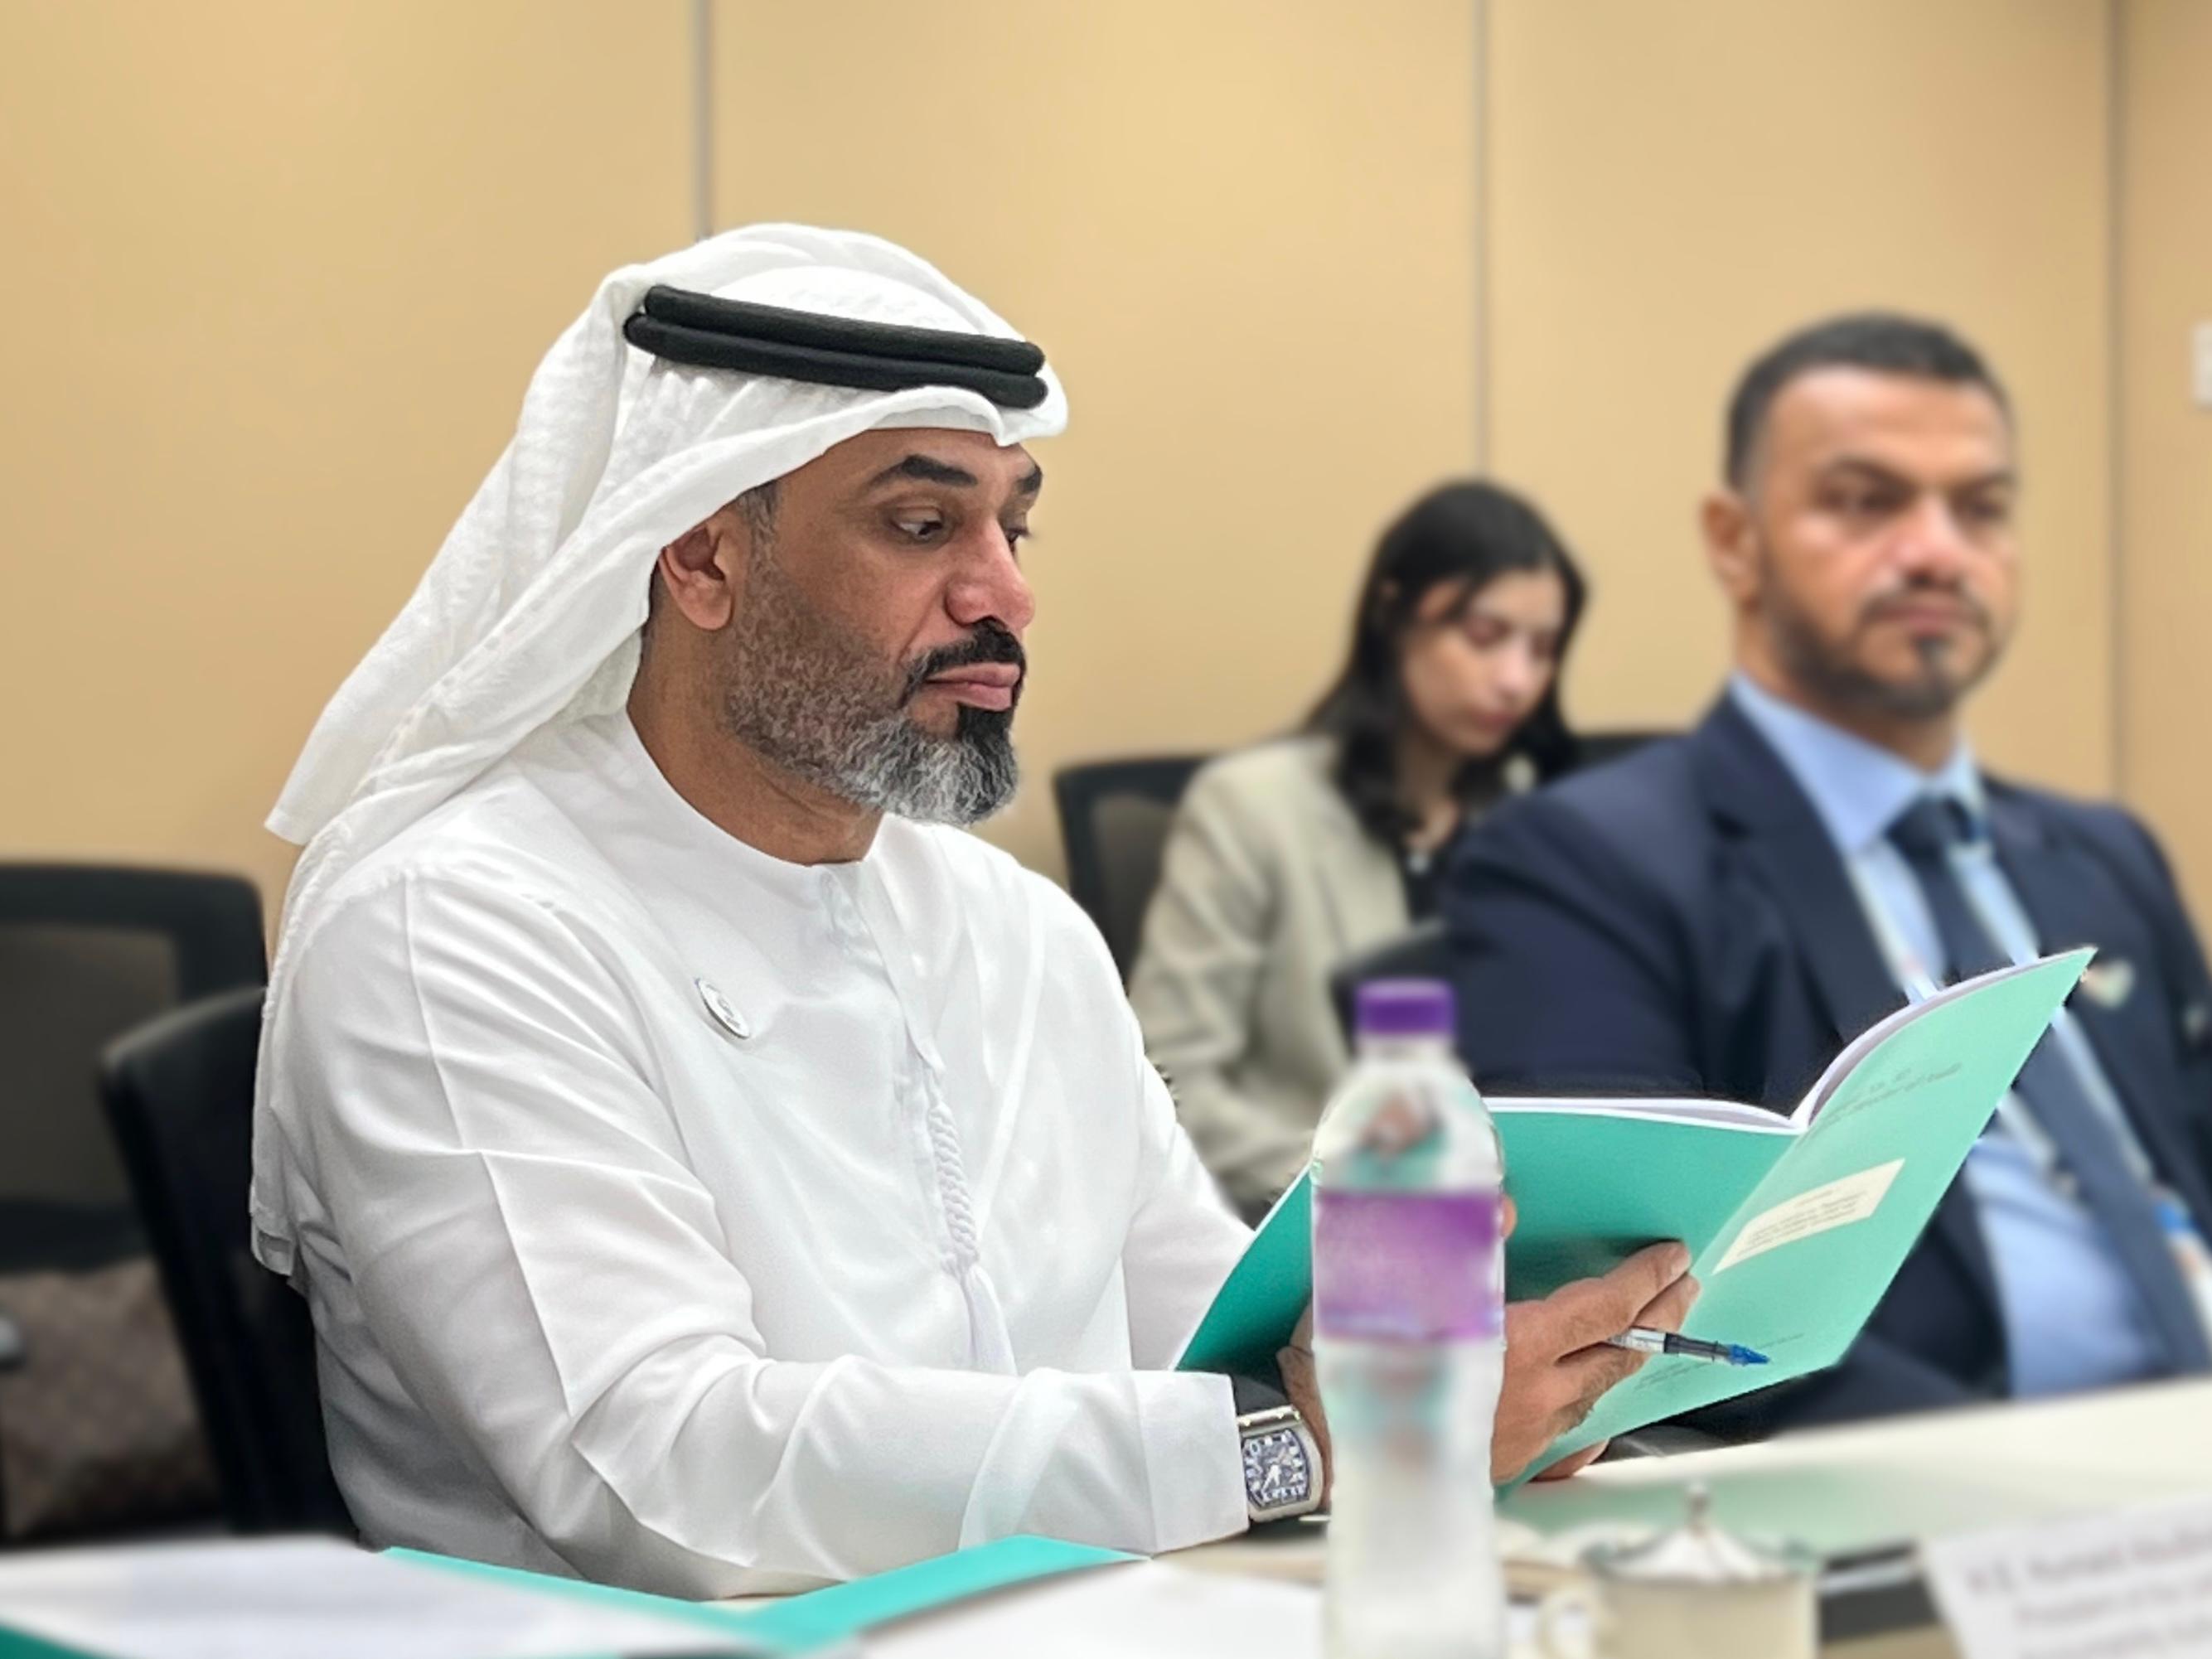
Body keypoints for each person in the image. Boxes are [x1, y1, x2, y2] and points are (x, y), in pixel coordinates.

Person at [252, 225, 1693, 1599]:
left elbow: (1201, 1328)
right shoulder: (452, 926)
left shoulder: (1019, 929)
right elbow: (656, 1474)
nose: (1003, 592)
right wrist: (1313, 1444)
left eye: (1012, 525)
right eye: (921, 522)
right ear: (701, 559)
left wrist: (1469, 1368)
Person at [1445, 312, 2212, 1437]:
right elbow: (1634, 1328)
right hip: (1962, 1512)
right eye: (1866, 500)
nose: (1936, 549)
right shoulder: (1580, 866)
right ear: (1732, 538)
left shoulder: (2102, 854)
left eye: (1980, 509)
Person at [1130, 482, 1585, 1214]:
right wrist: (1374, 1183)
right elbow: (1166, 1084)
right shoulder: (1252, 808)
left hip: (1517, 1223)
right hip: (1321, 1238)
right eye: (1484, 635)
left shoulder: (1523, 806)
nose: (1515, 680)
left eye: (1540, 648)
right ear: (1393, 614)